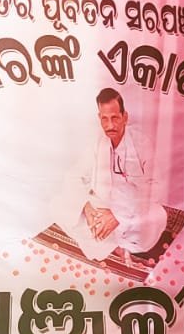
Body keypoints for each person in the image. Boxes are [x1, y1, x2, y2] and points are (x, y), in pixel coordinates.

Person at [54, 87, 167, 263]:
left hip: (132, 211)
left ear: (125, 117)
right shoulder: (97, 141)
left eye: (115, 118)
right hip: (101, 207)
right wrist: (87, 208)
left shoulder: (141, 143)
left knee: (157, 216)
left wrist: (118, 216)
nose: (110, 125)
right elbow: (73, 176)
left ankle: (107, 242)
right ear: (99, 117)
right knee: (57, 204)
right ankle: (115, 246)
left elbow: (155, 189)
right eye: (105, 119)